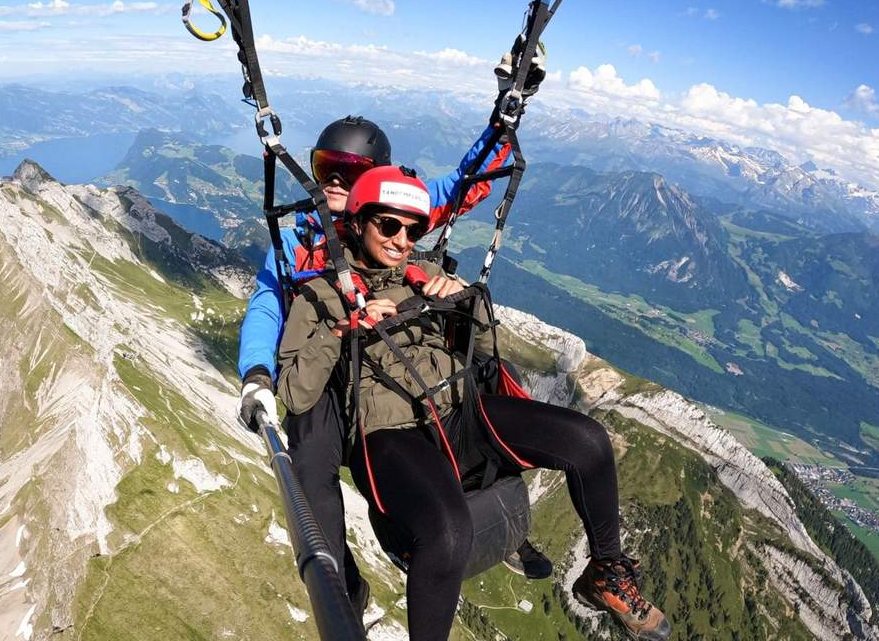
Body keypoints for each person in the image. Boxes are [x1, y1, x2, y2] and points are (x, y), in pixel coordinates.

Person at [275, 166, 671, 641]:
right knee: (448, 534)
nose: (403, 239)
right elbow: (296, 392)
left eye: (414, 229)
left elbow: (484, 349)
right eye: (389, 225)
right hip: (390, 434)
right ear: (357, 223)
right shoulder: (319, 295)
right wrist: (342, 331)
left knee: (587, 441)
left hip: (461, 410)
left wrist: (464, 302)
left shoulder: (426, 274)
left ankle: (606, 571)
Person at [236, 115, 520, 612]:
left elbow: (461, 186)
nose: (335, 184)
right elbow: (267, 302)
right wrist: (257, 372)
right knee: (309, 458)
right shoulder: (298, 239)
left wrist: (503, 121)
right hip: (328, 359)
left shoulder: (386, 212)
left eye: (352, 172)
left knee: (479, 376)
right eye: (327, 169)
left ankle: (490, 491)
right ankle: (342, 586)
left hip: (381, 349)